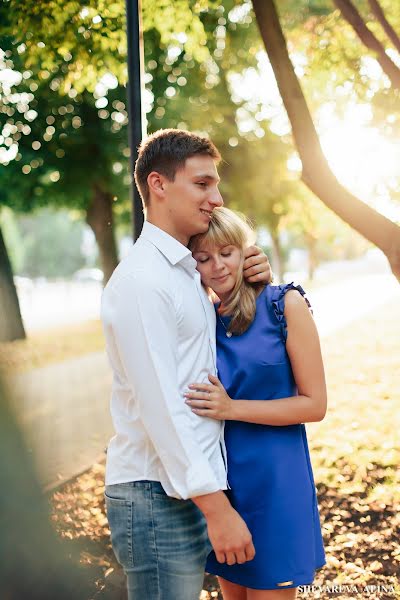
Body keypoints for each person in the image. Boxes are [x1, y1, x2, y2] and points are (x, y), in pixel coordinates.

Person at [101, 129, 272, 600]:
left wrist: (254, 279)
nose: (216, 198)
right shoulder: (142, 282)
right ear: (159, 185)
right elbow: (161, 407)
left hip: (187, 488)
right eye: (202, 184)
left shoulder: (186, 273)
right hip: (157, 493)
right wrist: (217, 510)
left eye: (215, 185)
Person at [186, 207, 327, 599]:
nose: (217, 267)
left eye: (227, 252)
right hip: (223, 485)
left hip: (276, 481)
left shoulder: (285, 305)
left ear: (247, 252)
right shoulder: (201, 319)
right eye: (203, 258)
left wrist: (233, 408)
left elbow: (314, 404)